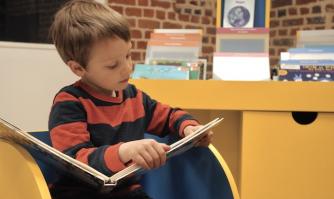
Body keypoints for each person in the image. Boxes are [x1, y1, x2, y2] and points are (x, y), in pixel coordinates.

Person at [48, 0, 213, 198]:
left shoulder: (133, 96)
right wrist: (123, 152)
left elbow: (168, 115)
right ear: (78, 68)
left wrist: (189, 128)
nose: (127, 68)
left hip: (125, 192)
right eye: (112, 65)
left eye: (128, 55)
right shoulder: (69, 102)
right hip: (79, 194)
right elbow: (75, 161)